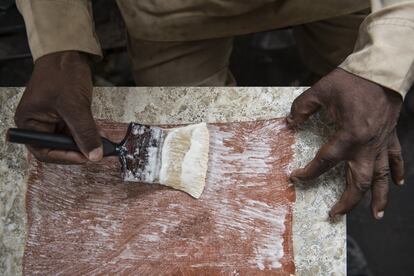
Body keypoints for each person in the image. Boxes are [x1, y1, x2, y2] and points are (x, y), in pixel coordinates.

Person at [13, 0, 413, 220]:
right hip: (172, 13)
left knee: (346, 111)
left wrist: (385, 65)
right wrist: (60, 43)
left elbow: (381, 63)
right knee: (192, 138)